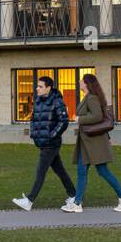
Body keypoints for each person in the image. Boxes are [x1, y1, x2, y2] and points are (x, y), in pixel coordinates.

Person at [62, 73, 121, 213]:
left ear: (87, 84)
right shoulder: (88, 97)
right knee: (82, 171)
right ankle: (77, 203)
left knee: (103, 170)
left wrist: (79, 119)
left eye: (81, 81)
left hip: (94, 142)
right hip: (87, 142)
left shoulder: (92, 98)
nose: (79, 82)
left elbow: (97, 116)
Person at [12, 76, 76, 211]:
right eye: (37, 86)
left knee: (40, 171)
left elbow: (63, 121)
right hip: (42, 142)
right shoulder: (37, 101)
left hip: (51, 143)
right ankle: (74, 195)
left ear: (48, 88)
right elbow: (33, 119)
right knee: (60, 170)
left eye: (40, 86)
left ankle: (29, 200)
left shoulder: (57, 102)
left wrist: (51, 135)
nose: (37, 89)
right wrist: (33, 133)